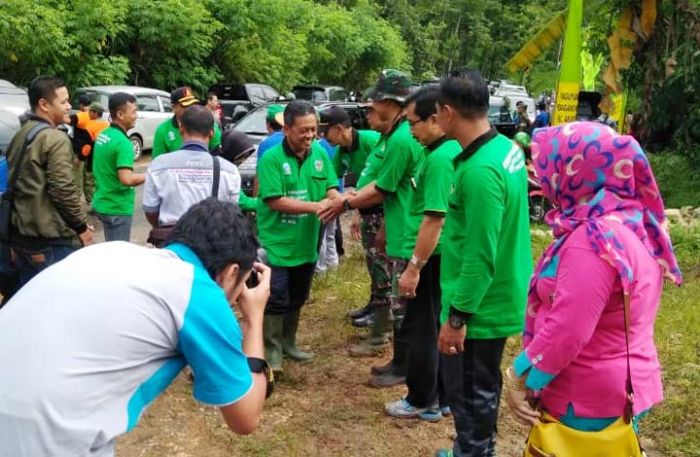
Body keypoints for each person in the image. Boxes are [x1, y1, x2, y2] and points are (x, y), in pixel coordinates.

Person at [0, 198, 272, 456]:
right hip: (45, 437)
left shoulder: (113, 252)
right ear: (232, 273)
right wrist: (255, 317)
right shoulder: (198, 292)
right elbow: (245, 417)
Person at [505, 123, 681, 446]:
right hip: (621, 384)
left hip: (586, 398)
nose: (544, 180)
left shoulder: (592, 240)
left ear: (576, 172)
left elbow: (568, 329)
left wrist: (519, 375)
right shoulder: (634, 221)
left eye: (550, 168)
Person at [433, 70, 532, 457]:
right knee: (482, 389)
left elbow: (480, 255)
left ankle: (472, 450)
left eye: (437, 113)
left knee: (471, 395)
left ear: (447, 111)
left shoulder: (479, 172)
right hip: (499, 294)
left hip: (479, 309)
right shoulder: (506, 148)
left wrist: (458, 319)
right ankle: (472, 448)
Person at [333, 69, 425, 387]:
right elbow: (398, 191)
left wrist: (344, 204)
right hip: (399, 226)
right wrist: (385, 224)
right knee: (400, 304)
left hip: (410, 233)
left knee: (405, 307)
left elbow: (383, 188)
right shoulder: (394, 134)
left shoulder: (401, 139)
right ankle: (398, 362)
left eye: (375, 100)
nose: (371, 104)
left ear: (389, 101)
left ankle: (404, 367)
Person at [383, 87, 462, 421]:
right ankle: (442, 396)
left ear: (436, 118)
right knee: (434, 325)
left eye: (414, 123)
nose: (411, 130)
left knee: (421, 329)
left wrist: (414, 266)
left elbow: (435, 218)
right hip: (443, 255)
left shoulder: (441, 160)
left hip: (432, 257)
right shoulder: (452, 151)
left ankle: (421, 399)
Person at [256, 100, 340, 374]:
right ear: (287, 129)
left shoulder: (319, 153)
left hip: (306, 241)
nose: (309, 135)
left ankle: (289, 343)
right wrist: (316, 207)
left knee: (298, 295)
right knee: (276, 296)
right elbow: (273, 200)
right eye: (303, 130)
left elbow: (329, 187)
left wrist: (337, 200)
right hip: (277, 242)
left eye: (313, 129)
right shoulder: (271, 158)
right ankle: (272, 350)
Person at [6, 75, 93, 286]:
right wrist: (81, 227)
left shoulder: (22, 134)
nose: (69, 106)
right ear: (44, 104)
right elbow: (63, 189)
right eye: (63, 102)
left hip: (22, 238)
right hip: (51, 243)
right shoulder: (55, 138)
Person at [143, 105, 241, 235]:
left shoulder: (158, 166)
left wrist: (163, 228)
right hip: (212, 242)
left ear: (181, 130)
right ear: (211, 133)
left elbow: (150, 210)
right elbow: (232, 212)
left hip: (172, 241)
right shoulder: (229, 170)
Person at [320, 106, 381, 301]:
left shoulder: (371, 140)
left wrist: (354, 209)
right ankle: (374, 302)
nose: (322, 135)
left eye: (325, 130)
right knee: (371, 257)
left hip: (383, 204)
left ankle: (381, 307)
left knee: (382, 259)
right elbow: (329, 178)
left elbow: (384, 178)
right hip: (366, 205)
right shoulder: (342, 151)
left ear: (338, 129)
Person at [92, 92, 146, 242]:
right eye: (133, 111)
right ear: (120, 114)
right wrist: (150, 175)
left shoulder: (104, 135)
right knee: (119, 256)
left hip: (103, 201)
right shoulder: (123, 143)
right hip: (117, 207)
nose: (136, 115)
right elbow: (126, 179)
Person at [152, 87, 222, 159]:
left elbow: (217, 152)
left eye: (192, 104)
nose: (191, 108)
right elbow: (158, 161)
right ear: (173, 107)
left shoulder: (208, 124)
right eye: (186, 105)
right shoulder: (163, 130)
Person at [219, 128, 258, 213]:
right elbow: (243, 202)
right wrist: (270, 203)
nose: (244, 160)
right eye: (242, 156)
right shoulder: (228, 171)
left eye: (247, 156)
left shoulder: (221, 165)